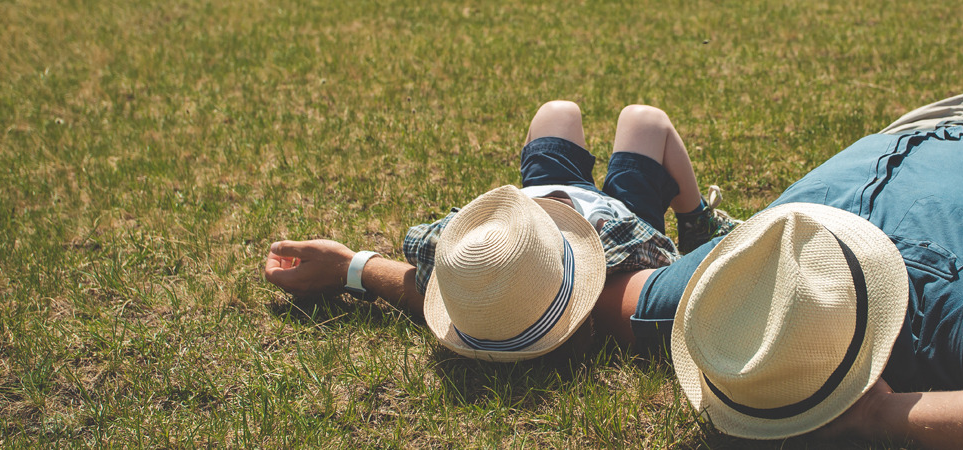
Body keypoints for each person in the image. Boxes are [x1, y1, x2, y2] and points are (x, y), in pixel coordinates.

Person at [594, 16, 963, 447]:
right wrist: (881, 416)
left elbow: (604, 288)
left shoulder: (727, 292)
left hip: (920, 122)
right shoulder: (958, 305)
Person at [263, 101, 741, 360]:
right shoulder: (620, 280)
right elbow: (664, 267)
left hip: (539, 203)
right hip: (617, 221)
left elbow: (434, 278)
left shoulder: (476, 271)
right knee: (644, 120)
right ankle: (698, 221)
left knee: (556, 113)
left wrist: (352, 266)